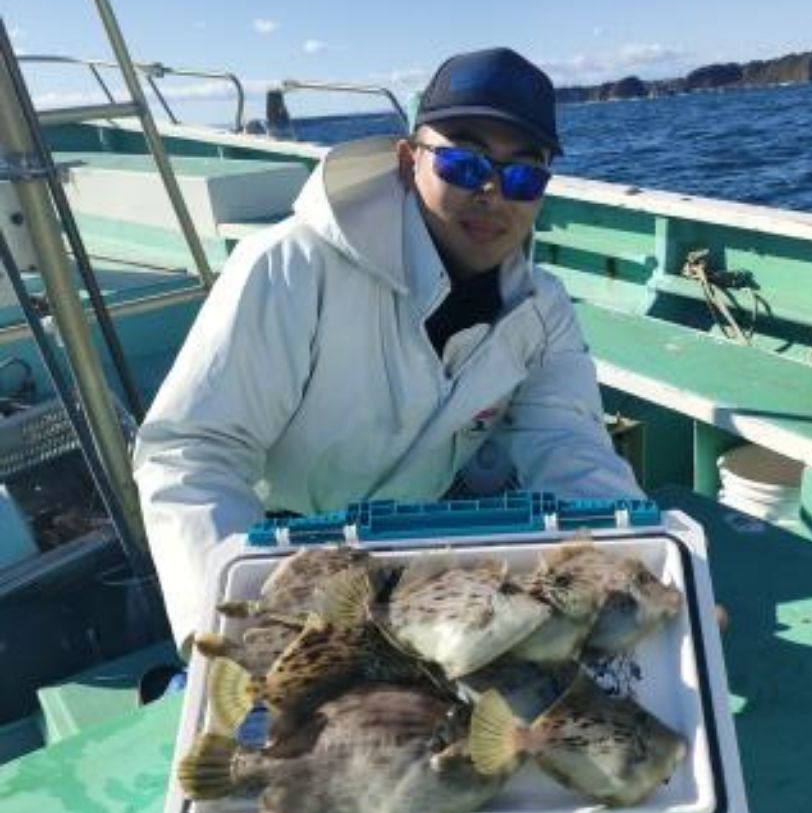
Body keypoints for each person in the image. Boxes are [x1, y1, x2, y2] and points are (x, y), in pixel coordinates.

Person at [133, 47, 643, 651]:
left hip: (421, 562)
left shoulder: (543, 306)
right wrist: (237, 625)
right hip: (278, 557)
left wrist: (634, 577)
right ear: (408, 162)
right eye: (463, 162)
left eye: (522, 175)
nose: (491, 193)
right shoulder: (292, 266)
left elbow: (568, 444)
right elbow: (193, 453)